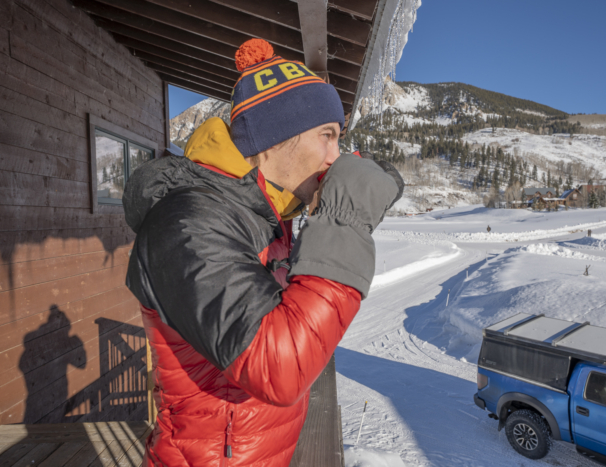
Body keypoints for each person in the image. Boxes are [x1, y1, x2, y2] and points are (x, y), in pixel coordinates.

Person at [123, 38, 403, 467]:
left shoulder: (268, 215)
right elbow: (280, 366)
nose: (335, 157)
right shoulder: (187, 224)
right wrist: (345, 219)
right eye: (326, 137)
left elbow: (297, 318)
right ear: (276, 137)